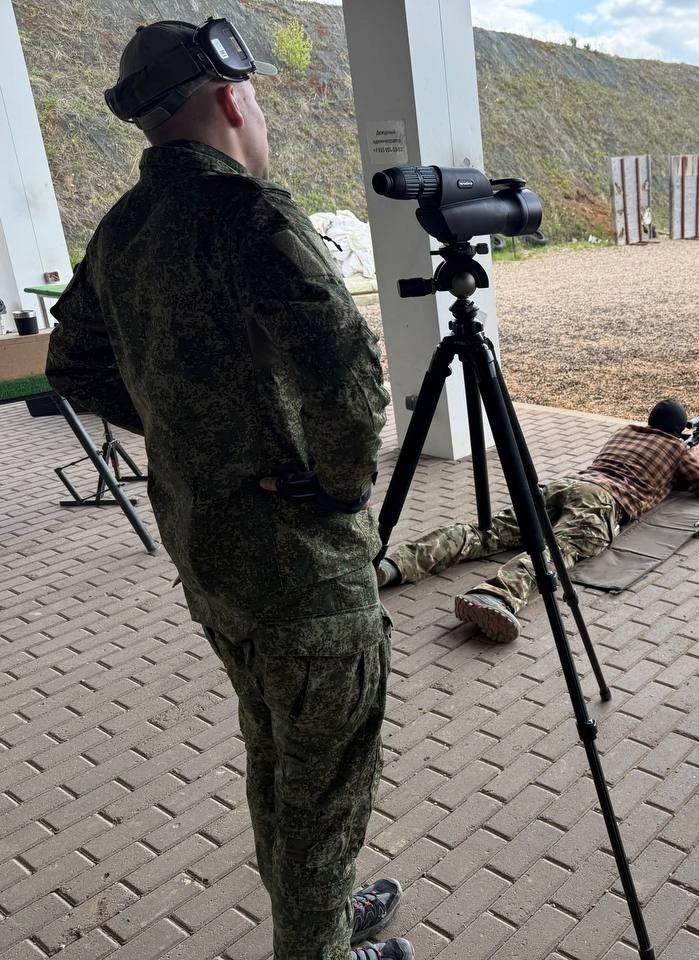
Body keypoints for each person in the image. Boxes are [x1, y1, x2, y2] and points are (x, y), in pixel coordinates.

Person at [46, 20, 411, 960]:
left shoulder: (123, 230)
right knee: (322, 781)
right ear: (230, 97)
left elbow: (74, 365)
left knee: (275, 751)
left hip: (212, 559)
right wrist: (337, 487)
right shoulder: (250, 213)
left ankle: (317, 915)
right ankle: (317, 945)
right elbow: (344, 374)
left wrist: (187, 437)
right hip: (301, 570)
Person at [378, 398, 699, 643]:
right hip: (603, 501)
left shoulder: (625, 432)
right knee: (557, 552)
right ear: (679, 431)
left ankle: (394, 564)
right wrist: (693, 455)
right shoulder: (677, 449)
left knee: (487, 531)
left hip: (563, 485)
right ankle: (497, 596)